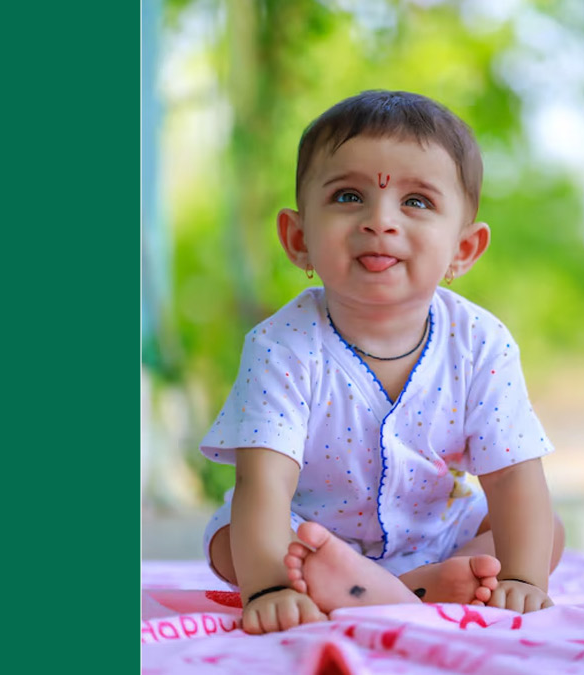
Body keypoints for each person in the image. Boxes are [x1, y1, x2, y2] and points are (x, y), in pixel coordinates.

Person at [199, 90, 565, 635]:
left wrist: (523, 579)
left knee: (544, 533)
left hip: (441, 536)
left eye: (416, 201)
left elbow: (513, 475)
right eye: (348, 196)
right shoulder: (281, 346)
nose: (380, 220)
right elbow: (265, 483)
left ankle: (403, 584)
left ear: (463, 250)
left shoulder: (481, 343)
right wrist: (272, 588)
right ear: (298, 238)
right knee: (232, 538)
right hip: (310, 542)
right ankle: (393, 588)